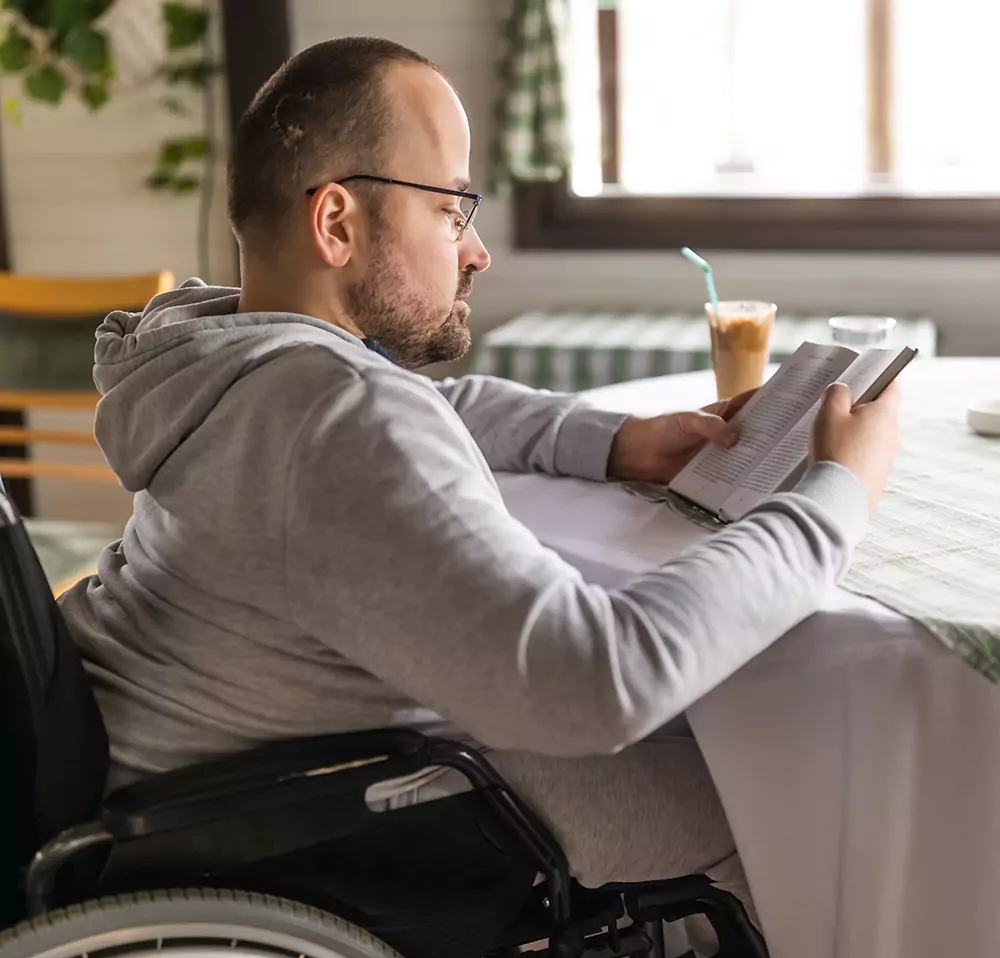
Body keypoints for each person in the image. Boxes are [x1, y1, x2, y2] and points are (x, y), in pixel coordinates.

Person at [59, 36, 900, 900]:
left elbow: (426, 407)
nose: (476, 250)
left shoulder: (228, 358)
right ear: (337, 223)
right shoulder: (335, 414)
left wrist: (612, 439)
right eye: (450, 211)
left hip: (180, 782)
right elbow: (596, 680)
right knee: (806, 791)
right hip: (294, 829)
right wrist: (833, 501)